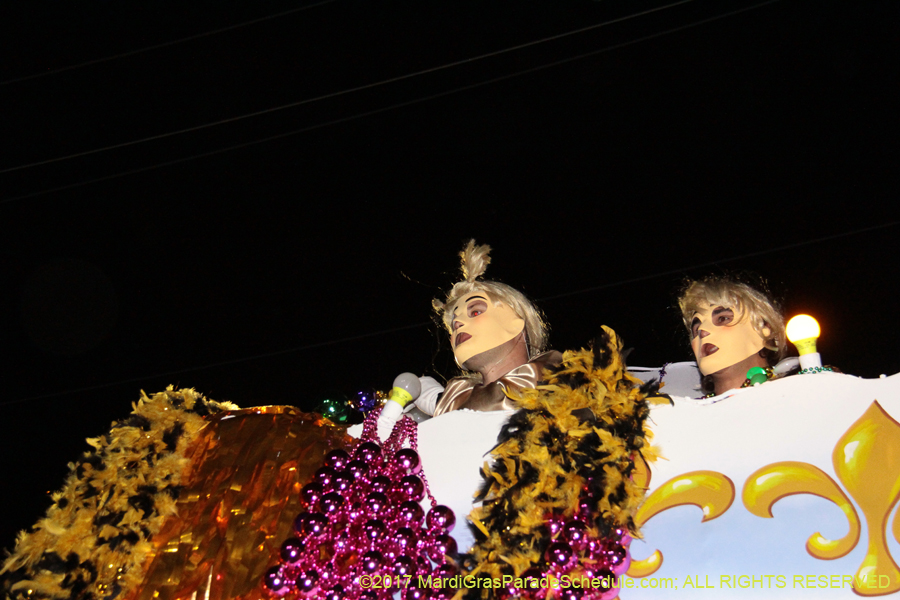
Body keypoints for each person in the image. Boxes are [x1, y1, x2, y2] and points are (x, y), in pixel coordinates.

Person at [377, 240, 560, 436]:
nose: (457, 324)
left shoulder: (555, 375)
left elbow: (508, 398)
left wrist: (442, 401)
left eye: (475, 312)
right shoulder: (457, 396)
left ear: (516, 323)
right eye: (454, 322)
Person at [678, 276, 786, 397]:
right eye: (696, 329)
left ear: (764, 328)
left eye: (722, 319)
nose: (702, 332)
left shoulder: (797, 392)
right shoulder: (687, 413)